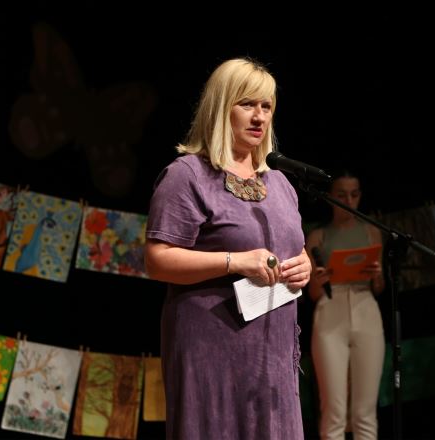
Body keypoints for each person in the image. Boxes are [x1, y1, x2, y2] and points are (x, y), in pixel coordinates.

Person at [144, 58, 311, 439]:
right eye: (247, 104)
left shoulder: (281, 184)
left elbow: (296, 249)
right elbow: (157, 260)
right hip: (211, 349)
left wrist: (305, 266)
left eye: (266, 106)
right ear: (221, 107)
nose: (259, 116)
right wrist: (235, 261)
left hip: (273, 356)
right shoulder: (188, 176)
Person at [305, 170, 386, 440]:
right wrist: (320, 280)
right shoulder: (318, 236)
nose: (349, 201)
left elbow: (379, 288)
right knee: (334, 410)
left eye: (354, 194)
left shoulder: (371, 231)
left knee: (365, 411)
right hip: (331, 307)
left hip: (365, 306)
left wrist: (377, 275)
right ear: (330, 197)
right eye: (341, 195)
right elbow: (313, 293)